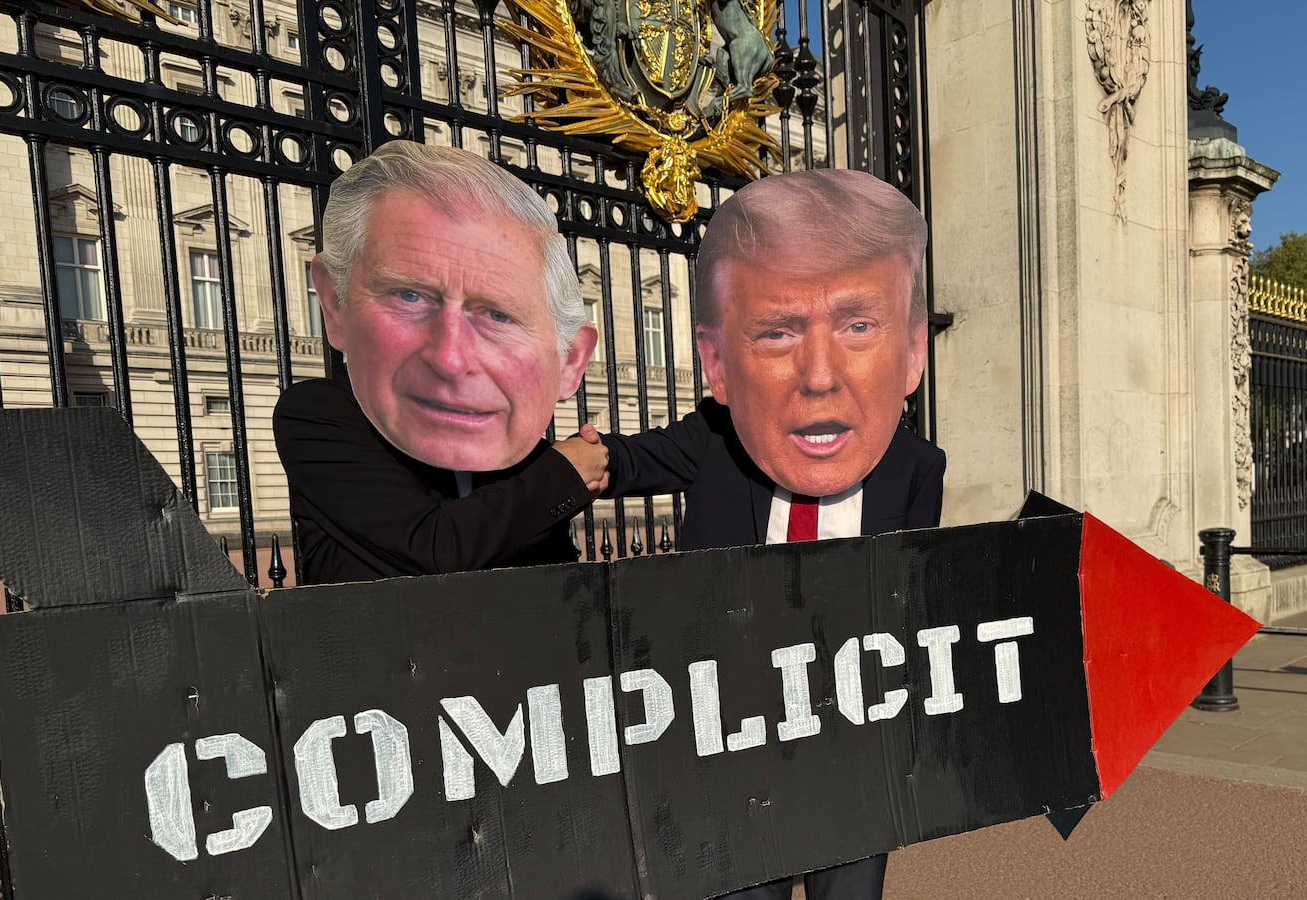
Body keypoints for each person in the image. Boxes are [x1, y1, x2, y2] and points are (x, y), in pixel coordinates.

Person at [589, 168, 945, 900]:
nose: (819, 377)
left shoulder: (916, 467)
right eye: (779, 332)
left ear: (911, 354)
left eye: (856, 326)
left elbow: (914, 602)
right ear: (718, 365)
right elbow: (622, 462)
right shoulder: (716, 442)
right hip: (735, 755)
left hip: (852, 756)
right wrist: (559, 461)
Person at [274, 141, 607, 585]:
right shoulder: (318, 415)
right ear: (334, 304)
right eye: (409, 296)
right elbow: (435, 550)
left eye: (497, 314)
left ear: (570, 360)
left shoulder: (527, 454)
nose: (450, 359)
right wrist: (564, 474)